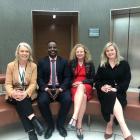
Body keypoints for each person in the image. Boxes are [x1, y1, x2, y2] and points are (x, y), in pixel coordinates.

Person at [5, 42, 44, 140]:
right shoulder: (10, 66)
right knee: (20, 100)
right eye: (22, 51)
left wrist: (26, 93)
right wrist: (12, 93)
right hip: (14, 93)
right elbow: (8, 84)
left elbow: (33, 83)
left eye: (27, 51)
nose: (24, 53)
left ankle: (31, 132)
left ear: (29, 53)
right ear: (17, 52)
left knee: (21, 102)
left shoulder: (33, 66)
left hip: (28, 93)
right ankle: (34, 120)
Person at [95, 42, 133, 140]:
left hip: (119, 91)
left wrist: (117, 88)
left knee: (112, 96)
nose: (110, 52)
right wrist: (102, 87)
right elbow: (97, 80)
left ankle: (109, 124)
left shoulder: (124, 64)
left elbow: (127, 81)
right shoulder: (102, 65)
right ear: (105, 53)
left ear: (116, 50)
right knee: (110, 94)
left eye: (112, 50)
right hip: (104, 92)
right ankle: (125, 130)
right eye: (107, 51)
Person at [37, 41, 72, 139]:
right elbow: (39, 78)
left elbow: (67, 77)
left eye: (54, 47)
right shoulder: (41, 62)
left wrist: (60, 89)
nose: (52, 49)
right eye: (50, 47)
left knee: (67, 100)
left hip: (60, 88)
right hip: (47, 89)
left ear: (57, 49)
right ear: (47, 49)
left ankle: (60, 125)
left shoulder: (64, 61)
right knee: (42, 101)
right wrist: (46, 89)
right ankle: (50, 126)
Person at [68, 44, 95, 139]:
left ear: (85, 53)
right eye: (77, 52)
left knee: (81, 87)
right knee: (83, 97)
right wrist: (72, 83)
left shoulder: (90, 63)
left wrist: (82, 82)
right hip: (74, 86)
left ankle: (74, 117)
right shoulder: (71, 63)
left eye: (81, 51)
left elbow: (93, 79)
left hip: (86, 85)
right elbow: (68, 77)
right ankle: (79, 126)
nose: (79, 53)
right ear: (75, 53)